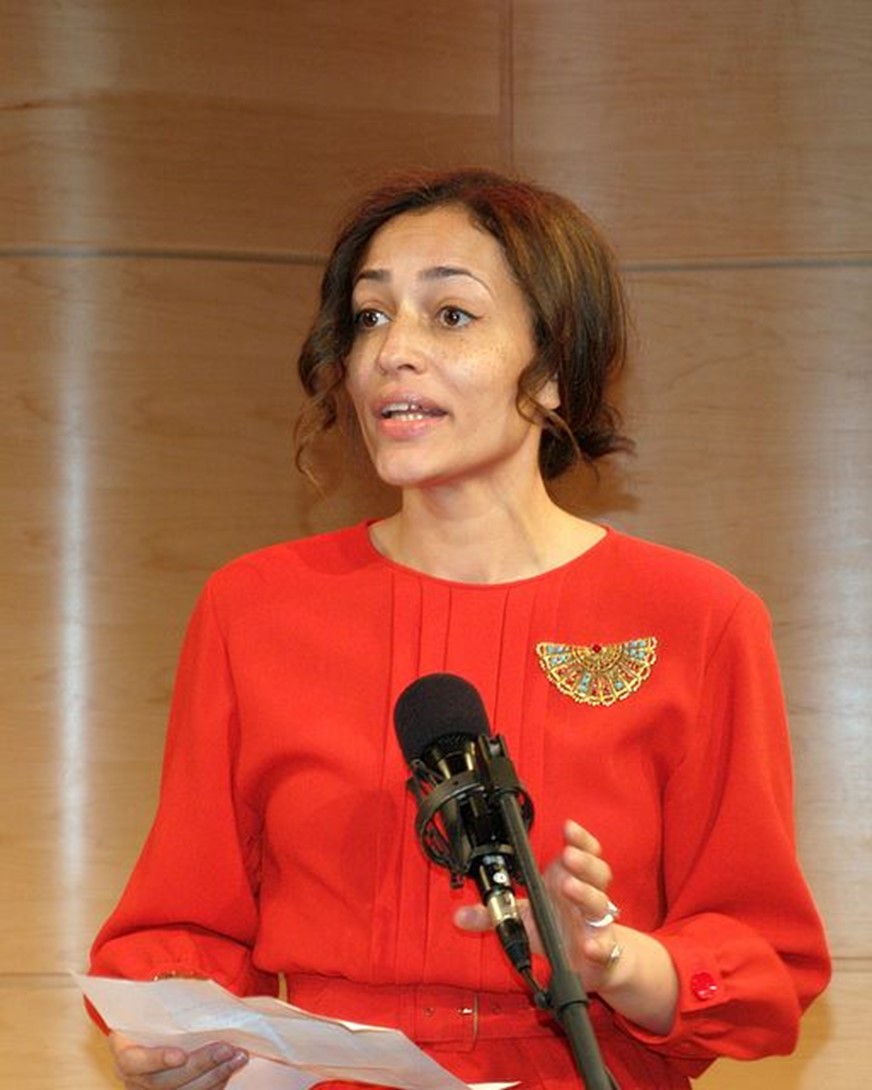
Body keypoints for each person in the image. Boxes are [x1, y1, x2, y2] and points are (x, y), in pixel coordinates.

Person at [88, 168, 830, 1089]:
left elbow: (761, 956)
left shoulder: (699, 617)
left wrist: (610, 961)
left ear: (554, 368)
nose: (392, 351)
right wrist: (174, 1029)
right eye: (368, 317)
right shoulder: (254, 607)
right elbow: (185, 918)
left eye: (450, 315)